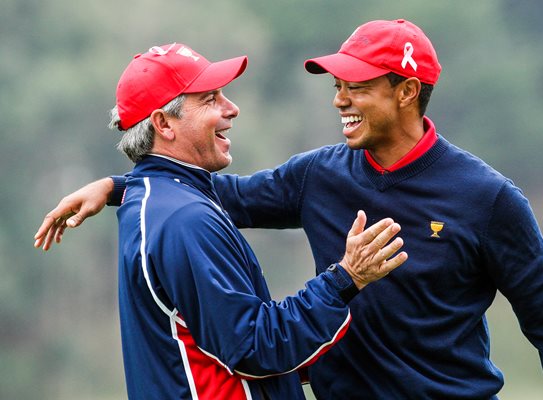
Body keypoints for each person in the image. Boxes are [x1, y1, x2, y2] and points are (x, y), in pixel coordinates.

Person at [34, 20, 543, 399]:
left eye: (355, 85)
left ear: (406, 91)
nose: (338, 99)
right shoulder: (319, 174)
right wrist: (113, 186)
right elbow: (216, 196)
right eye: (336, 83)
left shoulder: (489, 199)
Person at [40, 42, 409, 400]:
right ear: (163, 124)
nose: (231, 109)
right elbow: (256, 348)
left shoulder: (162, 198)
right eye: (210, 99)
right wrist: (345, 279)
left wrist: (112, 186)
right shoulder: (184, 218)